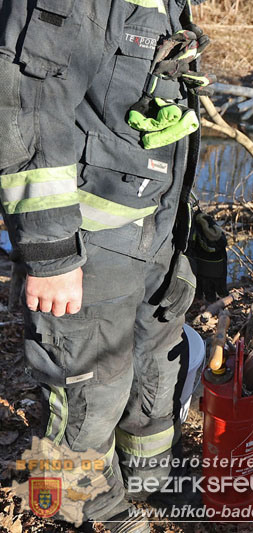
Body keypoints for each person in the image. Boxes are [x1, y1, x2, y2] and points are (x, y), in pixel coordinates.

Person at [0, 1, 217, 531]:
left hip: (157, 233)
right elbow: (23, 100)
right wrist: (50, 252)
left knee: (154, 367)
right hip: (90, 239)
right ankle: (81, 509)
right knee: (87, 390)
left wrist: (191, 233)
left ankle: (146, 480)